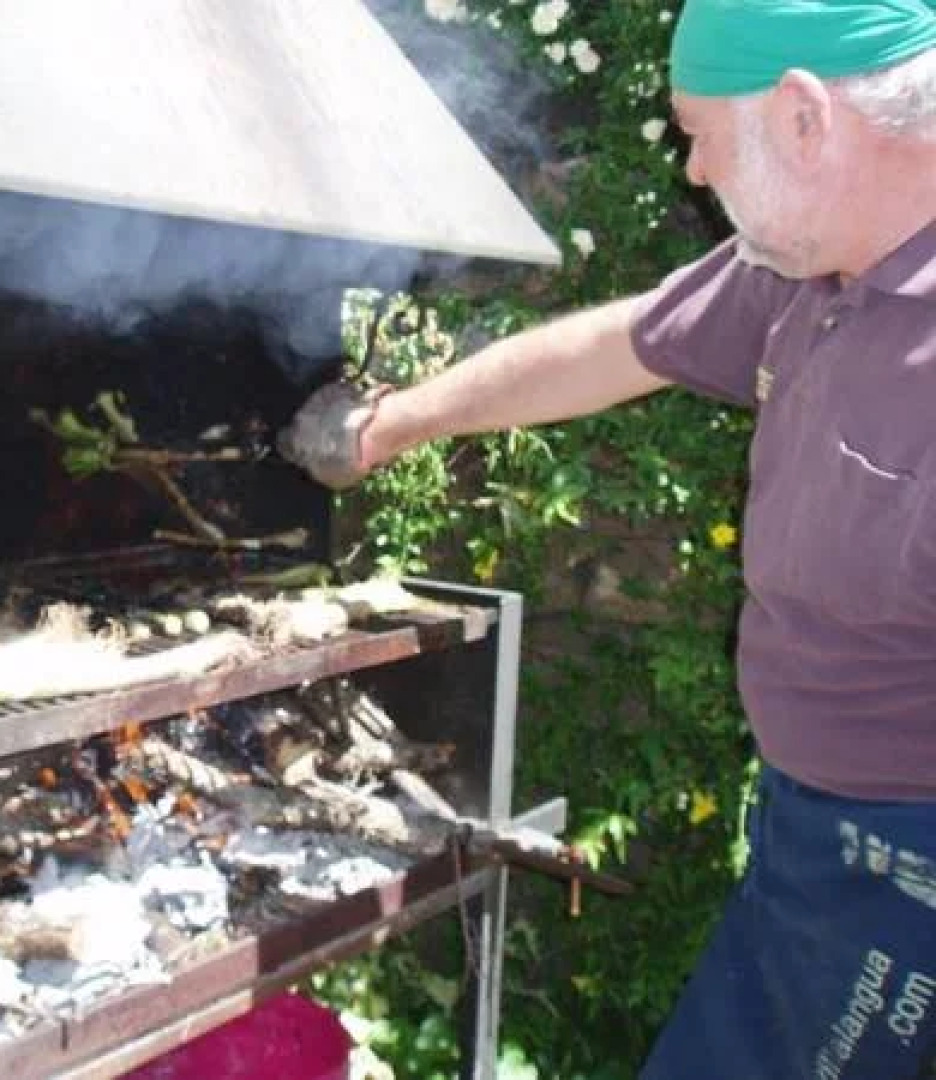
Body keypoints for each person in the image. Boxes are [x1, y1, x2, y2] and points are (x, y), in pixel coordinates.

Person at [280, 1, 936, 1076]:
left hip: (908, 872)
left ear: (806, 119)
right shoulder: (806, 262)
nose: (688, 169)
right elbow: (622, 344)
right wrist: (396, 424)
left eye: (697, 130)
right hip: (802, 829)